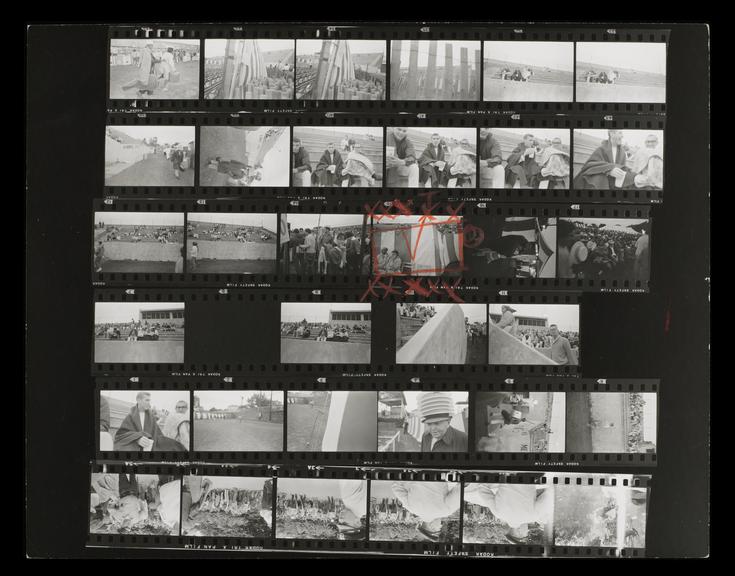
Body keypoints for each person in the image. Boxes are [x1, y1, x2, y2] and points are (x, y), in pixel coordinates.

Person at [464, 483, 553, 544]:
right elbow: (482, 489)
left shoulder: (533, 516)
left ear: (519, 532)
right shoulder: (498, 514)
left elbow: (550, 494)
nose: (528, 530)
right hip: (506, 471)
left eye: (527, 532)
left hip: (529, 473)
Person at [390, 481, 461, 542]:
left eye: (439, 528)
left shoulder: (446, 511)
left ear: (431, 526)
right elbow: (395, 487)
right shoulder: (411, 508)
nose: (441, 525)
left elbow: (461, 489)